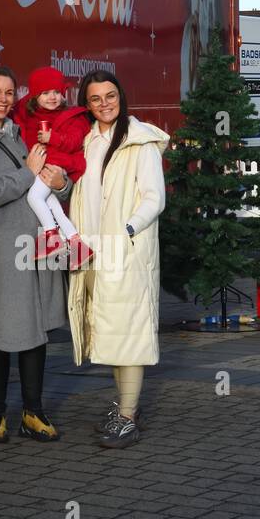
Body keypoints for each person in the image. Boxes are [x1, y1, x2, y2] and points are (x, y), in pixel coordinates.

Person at [0, 66, 71, 444]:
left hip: (34, 246)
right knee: (2, 330)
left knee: (34, 328)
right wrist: (27, 171)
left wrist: (60, 182)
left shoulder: (16, 133)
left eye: (9, 92)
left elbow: (41, 186)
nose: (3, 99)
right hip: (1, 250)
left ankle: (33, 413)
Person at [67, 71, 169, 450]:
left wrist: (126, 230)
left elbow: (153, 198)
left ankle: (127, 417)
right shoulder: (88, 141)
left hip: (125, 253)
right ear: (87, 104)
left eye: (111, 96)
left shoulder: (139, 142)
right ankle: (124, 407)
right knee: (110, 332)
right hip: (93, 254)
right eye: (96, 99)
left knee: (129, 332)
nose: (105, 103)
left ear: (121, 97)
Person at [12, 66, 89, 252]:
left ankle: (51, 237)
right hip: (44, 166)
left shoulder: (72, 117)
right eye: (45, 93)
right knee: (53, 205)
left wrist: (52, 138)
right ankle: (77, 246)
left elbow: (74, 142)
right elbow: (19, 111)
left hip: (58, 165)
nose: (52, 97)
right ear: (35, 95)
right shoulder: (31, 114)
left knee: (34, 197)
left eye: (56, 92)